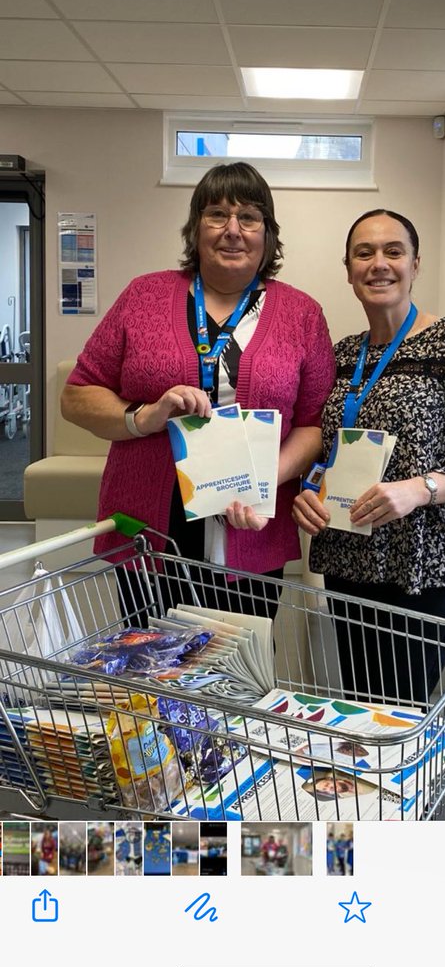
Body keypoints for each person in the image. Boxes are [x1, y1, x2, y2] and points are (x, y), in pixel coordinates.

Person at [61, 162, 335, 622]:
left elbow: (313, 422)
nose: (233, 230)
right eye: (216, 215)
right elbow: (77, 394)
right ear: (195, 228)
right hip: (153, 523)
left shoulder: (303, 314)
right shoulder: (143, 296)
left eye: (249, 217)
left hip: (249, 522)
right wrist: (142, 416)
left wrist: (263, 480)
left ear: (267, 233)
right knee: (151, 666)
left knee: (237, 673)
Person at [293, 208, 445, 707]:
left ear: (415, 265)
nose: (379, 263)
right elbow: (322, 444)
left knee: (400, 711)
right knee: (359, 705)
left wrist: (420, 489)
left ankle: (397, 787)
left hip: (426, 561)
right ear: (348, 268)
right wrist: (307, 490)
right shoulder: (341, 355)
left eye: (393, 251)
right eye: (364, 253)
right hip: (349, 553)